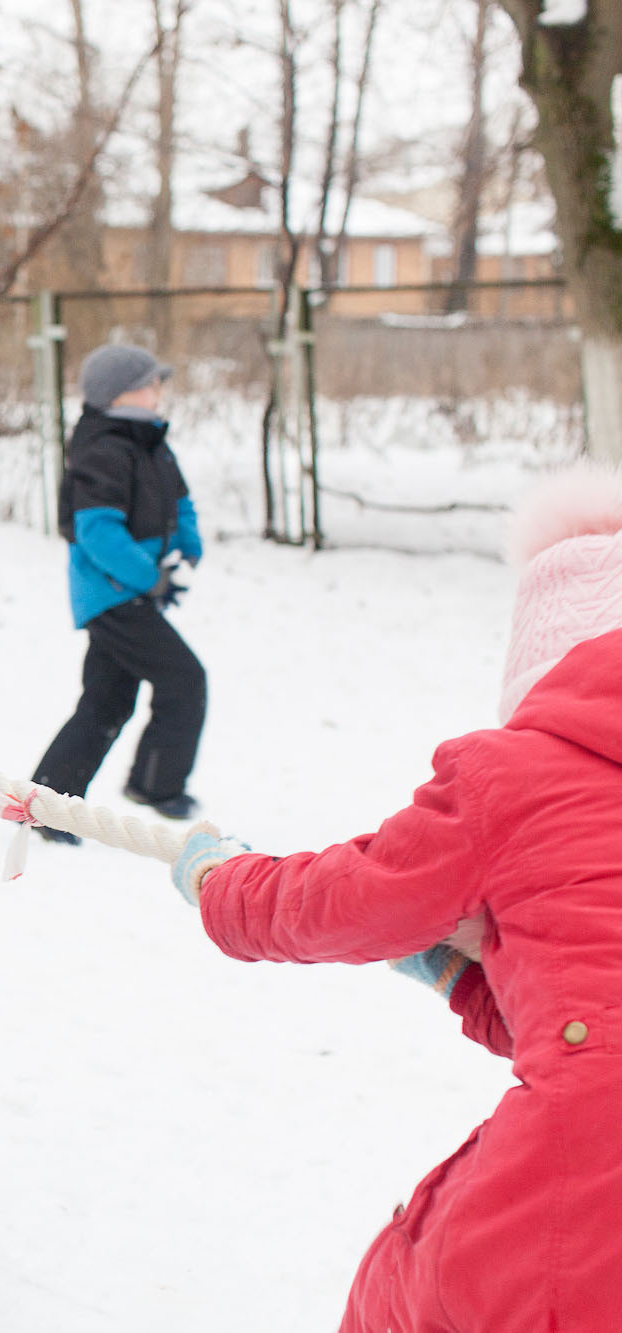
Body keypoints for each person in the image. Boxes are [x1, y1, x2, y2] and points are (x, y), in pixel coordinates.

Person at [168, 463, 622, 1332]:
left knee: (410, 1294)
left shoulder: (513, 775)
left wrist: (223, 883)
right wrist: (459, 980)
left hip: (581, 1174)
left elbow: (353, 897)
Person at [30, 342, 205, 844]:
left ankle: (48, 802)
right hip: (111, 594)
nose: (158, 392)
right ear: (122, 393)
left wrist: (187, 551)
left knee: (106, 702)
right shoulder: (102, 449)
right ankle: (155, 786)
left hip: (134, 591)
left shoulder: (150, 442)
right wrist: (150, 576)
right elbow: (97, 532)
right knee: (184, 678)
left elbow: (181, 503)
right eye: (151, 383)